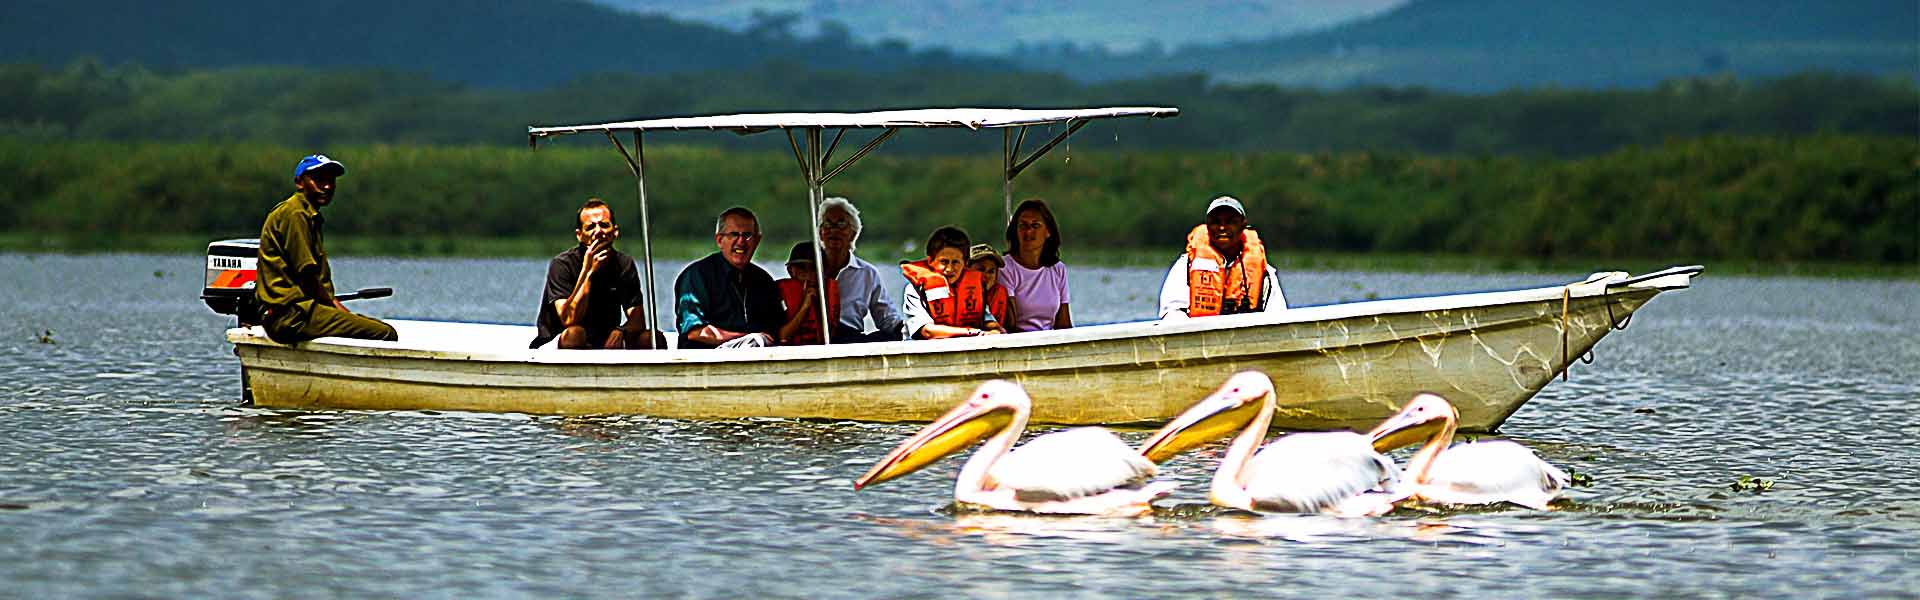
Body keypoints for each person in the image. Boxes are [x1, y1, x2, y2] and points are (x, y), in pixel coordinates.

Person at [254, 154, 398, 344]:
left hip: (296, 312)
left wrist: (336, 310)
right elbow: (307, 275)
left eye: (330, 180)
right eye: (319, 179)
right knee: (385, 332)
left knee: (365, 324)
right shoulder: (295, 213)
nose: (327, 186)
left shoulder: (307, 214)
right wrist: (338, 309)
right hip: (291, 315)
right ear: (299, 182)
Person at [529, 198, 661, 349]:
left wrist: (621, 331)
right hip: (559, 341)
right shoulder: (563, 264)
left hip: (604, 341)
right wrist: (588, 271)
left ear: (615, 231)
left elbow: (638, 319)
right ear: (579, 235)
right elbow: (569, 319)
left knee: (652, 338)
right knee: (575, 333)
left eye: (604, 225)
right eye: (591, 227)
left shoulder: (623, 264)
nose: (598, 232)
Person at [1158, 196, 1287, 319]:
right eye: (1215, 222)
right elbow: (1171, 311)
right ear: (1207, 225)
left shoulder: (1265, 273)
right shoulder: (1186, 265)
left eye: (1231, 222)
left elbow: (1277, 314)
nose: (1222, 227)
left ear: (1243, 225)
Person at [673, 207, 785, 349]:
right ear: (719, 240)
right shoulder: (697, 276)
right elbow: (695, 332)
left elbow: (777, 331)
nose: (741, 242)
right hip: (706, 362)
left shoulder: (764, 280)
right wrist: (746, 339)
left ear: (757, 240)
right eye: (734, 235)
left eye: (747, 235)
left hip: (758, 360)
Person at [814, 197, 904, 342]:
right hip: (814, 337)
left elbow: (887, 318)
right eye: (828, 225)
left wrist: (911, 329)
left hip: (850, 338)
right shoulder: (809, 268)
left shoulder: (867, 273)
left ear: (853, 233)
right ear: (820, 233)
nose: (834, 231)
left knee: (887, 337)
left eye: (841, 224)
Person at [900, 226, 1003, 340]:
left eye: (955, 262)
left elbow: (988, 321)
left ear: (965, 263)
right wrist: (973, 332)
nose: (949, 268)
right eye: (944, 262)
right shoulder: (915, 289)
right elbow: (927, 331)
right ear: (930, 261)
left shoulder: (976, 287)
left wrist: (995, 330)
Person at [997, 199, 1073, 332]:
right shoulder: (1005, 267)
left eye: (1035, 226)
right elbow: (1009, 324)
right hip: (1018, 343)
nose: (1028, 232)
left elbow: (1064, 324)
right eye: (1023, 226)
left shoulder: (1058, 269)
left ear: (1048, 231)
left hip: (1049, 343)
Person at [775, 242, 839, 346]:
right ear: (790, 270)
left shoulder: (829, 292)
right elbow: (783, 336)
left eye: (814, 268)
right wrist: (805, 306)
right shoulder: (777, 293)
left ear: (824, 272)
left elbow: (828, 335)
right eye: (801, 267)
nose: (807, 273)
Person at [967, 243, 1010, 333]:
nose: (986, 275)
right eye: (980, 270)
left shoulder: (1000, 293)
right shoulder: (957, 293)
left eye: (991, 271)